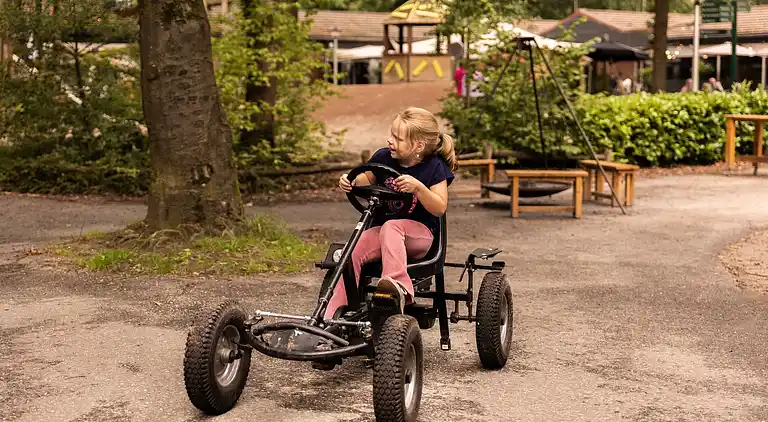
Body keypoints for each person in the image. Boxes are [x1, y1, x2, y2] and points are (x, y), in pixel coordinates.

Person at [327, 106, 458, 320]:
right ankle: (333, 315)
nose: (390, 141)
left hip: (419, 236)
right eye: (391, 135)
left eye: (397, 138)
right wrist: (350, 182)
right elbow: (365, 179)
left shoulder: (435, 167)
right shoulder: (383, 157)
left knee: (392, 226)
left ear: (418, 145)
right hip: (383, 232)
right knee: (353, 250)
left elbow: (439, 207)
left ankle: (397, 288)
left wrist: (419, 188)